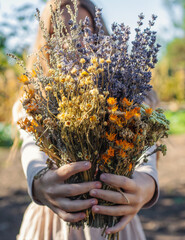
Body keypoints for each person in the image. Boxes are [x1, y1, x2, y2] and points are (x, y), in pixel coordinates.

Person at [13, 0, 159, 239]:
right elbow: (32, 149)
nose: (75, 38)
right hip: (53, 224)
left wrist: (148, 185)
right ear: (47, 41)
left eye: (85, 28)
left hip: (116, 220)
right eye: (64, 30)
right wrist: (39, 184)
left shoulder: (127, 98)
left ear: (100, 34)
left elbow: (145, 153)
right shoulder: (32, 102)